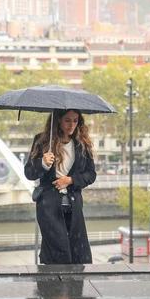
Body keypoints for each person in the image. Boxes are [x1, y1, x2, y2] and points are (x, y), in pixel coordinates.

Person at [24, 109, 96, 264]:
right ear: (58, 120)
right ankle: (56, 285)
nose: (72, 125)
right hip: (48, 206)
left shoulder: (82, 144)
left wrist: (70, 180)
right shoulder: (42, 141)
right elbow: (29, 173)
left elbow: (91, 174)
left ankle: (72, 286)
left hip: (74, 205)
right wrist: (42, 164)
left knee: (78, 249)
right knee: (58, 248)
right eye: (67, 120)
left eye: (75, 121)